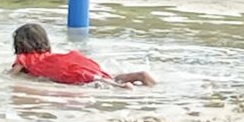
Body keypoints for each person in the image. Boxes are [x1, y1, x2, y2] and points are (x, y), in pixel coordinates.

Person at [10, 23, 156, 88]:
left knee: (93, 80)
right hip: (74, 60)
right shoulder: (46, 56)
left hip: (68, 71)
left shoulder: (24, 58)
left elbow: (12, 75)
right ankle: (140, 75)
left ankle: (124, 87)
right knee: (104, 75)